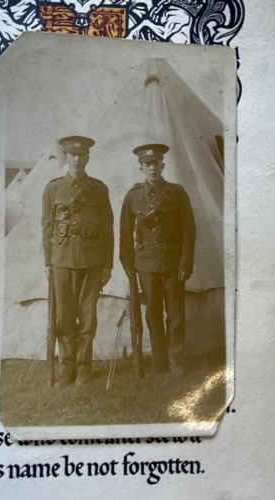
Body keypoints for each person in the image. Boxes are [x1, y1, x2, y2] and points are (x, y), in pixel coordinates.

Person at [42, 136, 114, 388]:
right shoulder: (53, 189)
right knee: (64, 318)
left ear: (87, 158)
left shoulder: (99, 188)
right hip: (61, 259)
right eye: (72, 155)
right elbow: (47, 226)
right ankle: (65, 370)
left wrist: (108, 264)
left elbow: (108, 226)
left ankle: (83, 370)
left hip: (92, 260)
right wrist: (48, 262)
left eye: (81, 155)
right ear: (64, 157)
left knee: (87, 318)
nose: (76, 159)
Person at [120, 143, 195, 377]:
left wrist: (185, 264)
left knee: (175, 313)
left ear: (163, 165)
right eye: (147, 164)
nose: (152, 168)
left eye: (156, 163)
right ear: (140, 167)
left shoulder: (177, 193)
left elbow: (188, 230)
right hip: (145, 263)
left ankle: (176, 362)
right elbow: (124, 233)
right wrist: (128, 263)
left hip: (172, 263)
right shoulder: (133, 196)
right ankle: (160, 363)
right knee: (152, 313)